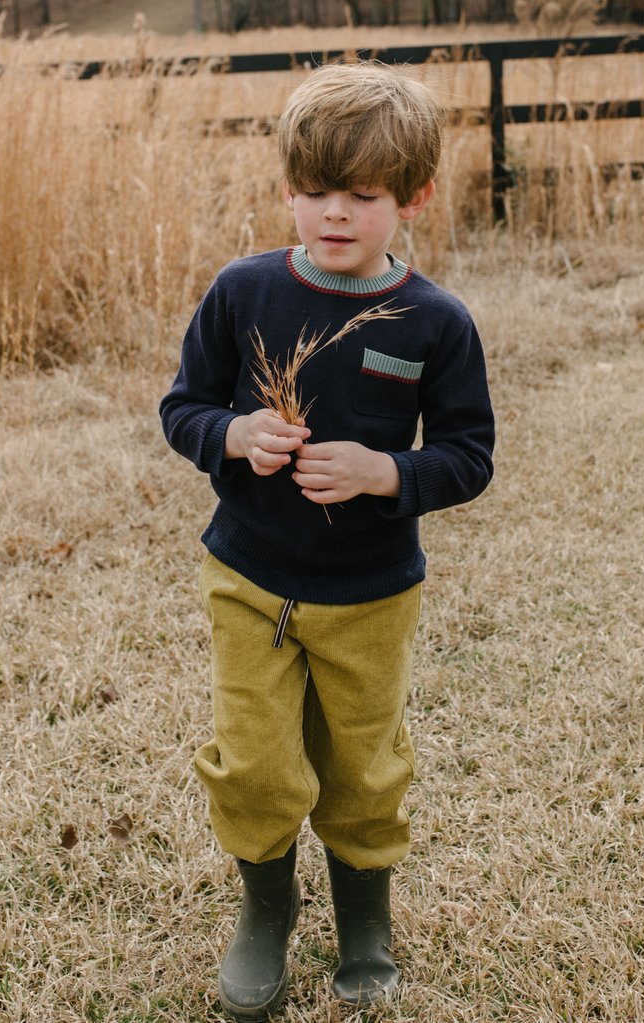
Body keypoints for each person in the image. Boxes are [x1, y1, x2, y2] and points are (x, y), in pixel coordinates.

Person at [159, 60, 495, 1022]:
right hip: (250, 578)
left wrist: (386, 472)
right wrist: (231, 434)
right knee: (257, 761)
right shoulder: (243, 292)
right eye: (313, 193)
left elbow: (469, 456)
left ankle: (366, 930)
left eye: (363, 194)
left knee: (361, 766)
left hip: (371, 592)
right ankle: (266, 911)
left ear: (414, 197)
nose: (334, 214)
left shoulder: (435, 324)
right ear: (286, 191)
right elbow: (183, 406)